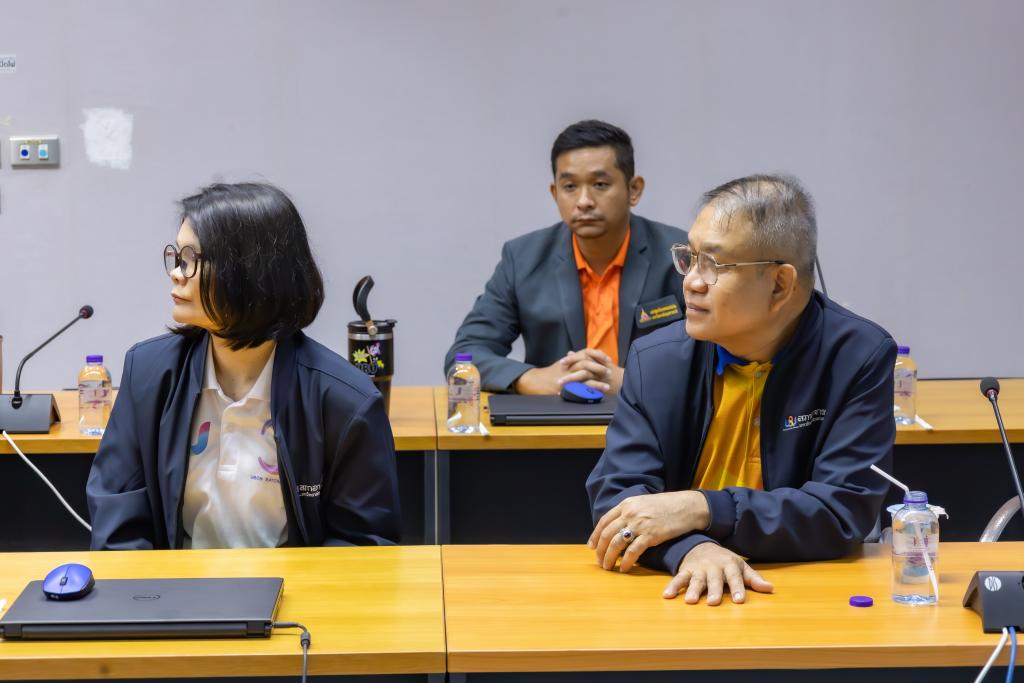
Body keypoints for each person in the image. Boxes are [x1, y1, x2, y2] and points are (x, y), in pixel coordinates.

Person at [586, 174, 895, 605]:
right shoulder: (656, 359)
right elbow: (619, 497)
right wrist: (691, 548)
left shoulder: (856, 356)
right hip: (679, 588)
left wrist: (703, 508)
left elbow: (840, 510)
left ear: (780, 285)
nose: (691, 281)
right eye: (689, 259)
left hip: (802, 590)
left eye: (713, 265)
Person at [87, 182, 401, 549]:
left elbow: (364, 547)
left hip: (294, 586)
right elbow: (117, 523)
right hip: (175, 584)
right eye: (176, 257)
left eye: (191, 259)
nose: (176, 273)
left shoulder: (345, 402)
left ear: (251, 273)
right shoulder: (147, 373)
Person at [445, 120, 687, 394]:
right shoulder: (522, 259)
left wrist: (635, 381)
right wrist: (531, 379)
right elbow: (465, 353)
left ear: (634, 190)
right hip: (556, 416)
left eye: (600, 184)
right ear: (555, 193)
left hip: (652, 415)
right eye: (570, 186)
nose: (584, 201)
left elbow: (715, 354)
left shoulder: (680, 256)